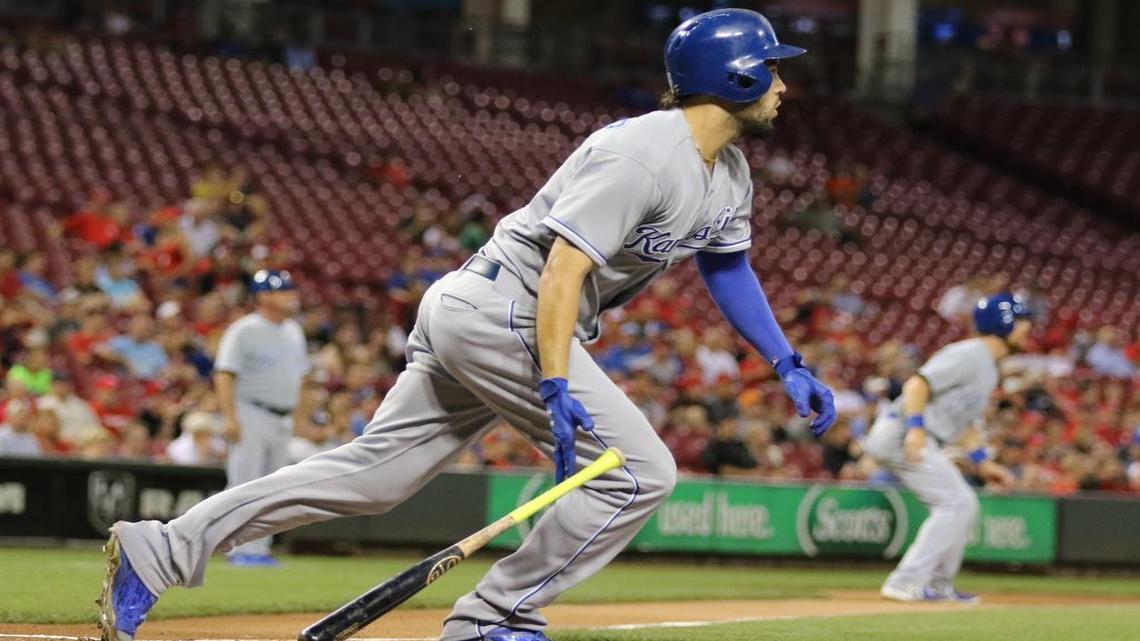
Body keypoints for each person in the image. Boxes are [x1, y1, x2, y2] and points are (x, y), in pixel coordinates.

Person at [97, 10, 835, 641]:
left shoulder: (729, 172)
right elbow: (562, 270)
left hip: (485, 308)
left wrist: (786, 361)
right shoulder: (642, 155)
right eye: (770, 69)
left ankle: (158, 548)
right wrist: (551, 377)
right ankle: (493, 613)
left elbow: (727, 268)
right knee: (644, 472)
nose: (782, 85)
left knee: (373, 478)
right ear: (734, 75)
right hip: (507, 305)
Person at [863, 292, 1027, 604]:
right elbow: (917, 384)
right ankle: (905, 581)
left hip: (918, 433)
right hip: (902, 430)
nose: (1027, 329)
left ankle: (938, 586)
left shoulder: (990, 367)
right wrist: (915, 428)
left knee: (962, 504)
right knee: (957, 503)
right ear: (1003, 323)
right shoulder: (970, 353)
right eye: (1021, 322)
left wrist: (983, 462)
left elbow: (964, 423)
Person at [212, 269, 313, 566]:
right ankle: (238, 548)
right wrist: (230, 417)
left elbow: (301, 378)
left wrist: (300, 416)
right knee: (245, 483)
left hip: (281, 417)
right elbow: (224, 375)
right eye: (283, 290)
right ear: (264, 296)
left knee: (273, 487)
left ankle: (260, 549)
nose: (291, 295)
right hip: (250, 412)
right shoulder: (244, 329)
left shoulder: (294, 330)